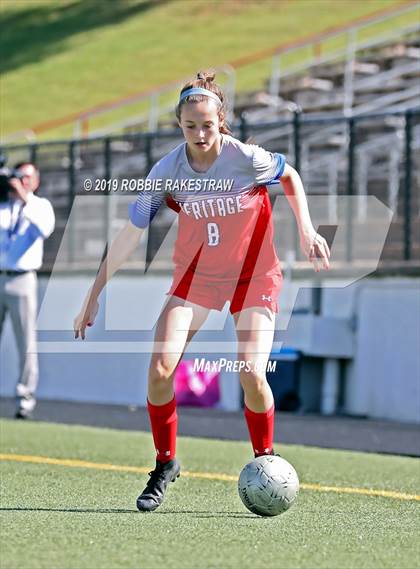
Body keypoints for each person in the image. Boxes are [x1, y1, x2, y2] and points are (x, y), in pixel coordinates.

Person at [74, 71, 330, 512]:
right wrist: (95, 292)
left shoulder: (246, 158)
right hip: (198, 277)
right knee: (159, 368)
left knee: (251, 371)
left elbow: (291, 176)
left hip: (254, 274)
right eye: (190, 126)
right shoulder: (168, 169)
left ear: (221, 121)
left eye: (207, 125)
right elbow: (131, 232)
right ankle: (164, 463)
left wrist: (307, 229)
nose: (199, 133)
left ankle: (265, 459)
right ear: (179, 124)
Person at [0, 162, 55, 419]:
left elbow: (43, 229)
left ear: (35, 181)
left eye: (26, 177)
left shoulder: (40, 206)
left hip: (22, 280)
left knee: (26, 343)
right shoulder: (3, 205)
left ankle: (25, 400)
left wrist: (23, 198)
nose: (20, 181)